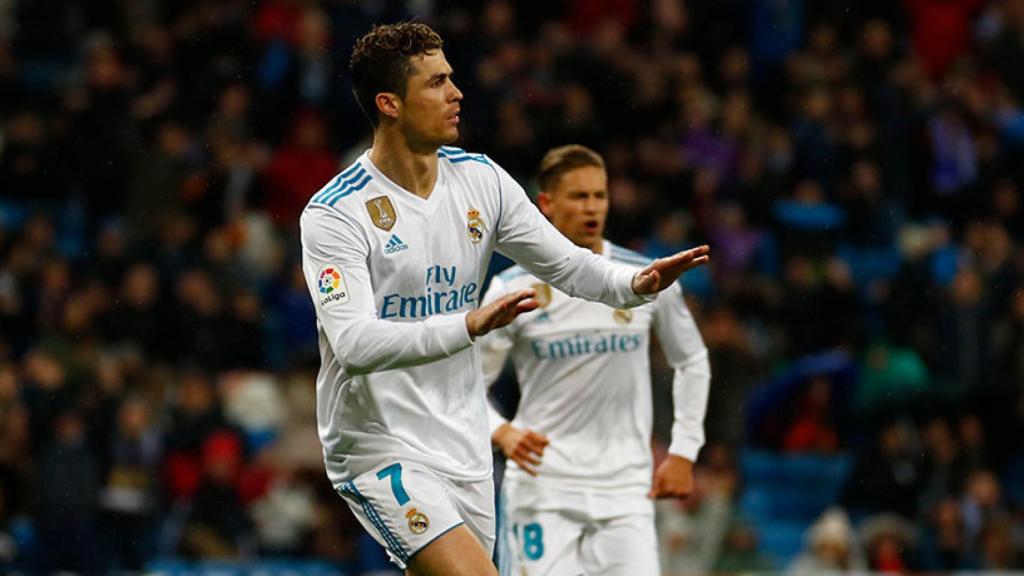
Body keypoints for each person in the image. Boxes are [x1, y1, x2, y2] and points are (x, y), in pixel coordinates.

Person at [299, 22, 710, 576]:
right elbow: (353, 343)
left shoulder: (482, 181)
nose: (456, 92)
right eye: (437, 82)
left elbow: (564, 263)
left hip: (464, 442)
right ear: (389, 103)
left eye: (452, 78)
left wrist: (633, 285)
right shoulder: (336, 214)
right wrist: (467, 325)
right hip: (380, 443)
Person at [481, 145, 711, 575]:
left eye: (599, 196)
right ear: (545, 203)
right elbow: (464, 385)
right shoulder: (512, 287)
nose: (592, 208)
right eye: (579, 196)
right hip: (543, 487)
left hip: (625, 489)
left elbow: (692, 360)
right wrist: (501, 432)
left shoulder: (647, 277)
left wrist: (683, 450)